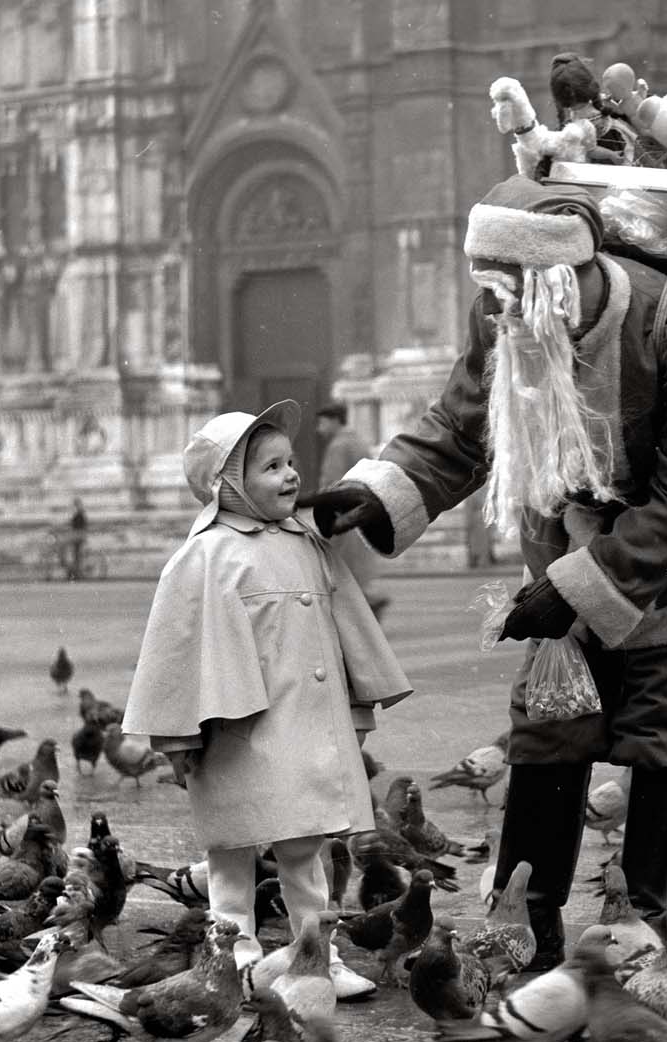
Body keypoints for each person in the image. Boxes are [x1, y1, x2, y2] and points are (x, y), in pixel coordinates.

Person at [301, 174, 667, 969]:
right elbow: (462, 426)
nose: (501, 309)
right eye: (490, 289)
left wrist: (570, 589)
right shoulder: (507, 311)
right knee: (550, 726)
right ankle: (530, 916)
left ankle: (640, 925)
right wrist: (373, 492)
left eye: (515, 288)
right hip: (570, 542)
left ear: (563, 274)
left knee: (664, 732)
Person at [122, 401, 409, 999]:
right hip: (237, 733)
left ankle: (316, 955)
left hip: (303, 732)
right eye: (271, 467)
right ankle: (236, 957)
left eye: (290, 463)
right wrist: (176, 738)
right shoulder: (205, 555)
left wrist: (355, 711)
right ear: (228, 484)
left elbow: (344, 634)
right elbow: (177, 655)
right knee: (231, 855)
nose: (291, 477)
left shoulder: (307, 543)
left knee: (307, 851)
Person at [313, 400, 393, 621]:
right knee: (353, 569)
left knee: (341, 569)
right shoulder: (358, 441)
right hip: (362, 513)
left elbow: (331, 483)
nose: (319, 429)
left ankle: (367, 606)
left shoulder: (338, 446)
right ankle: (368, 604)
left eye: (322, 422)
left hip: (343, 516)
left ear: (334, 421)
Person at [59, 497, 88, 581]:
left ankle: (72, 570)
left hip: (78, 535)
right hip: (78, 535)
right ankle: (75, 572)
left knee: (62, 545)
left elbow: (76, 527)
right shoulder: (79, 514)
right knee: (76, 555)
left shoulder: (79, 514)